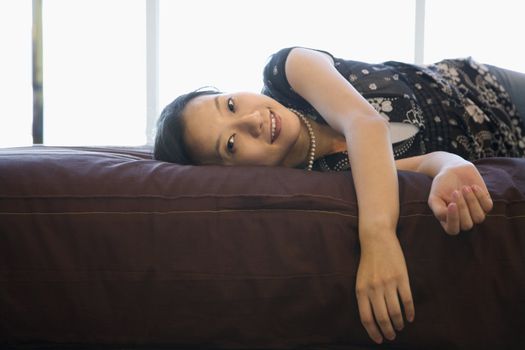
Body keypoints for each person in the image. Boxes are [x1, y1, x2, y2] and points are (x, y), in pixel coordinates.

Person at [153, 47, 525, 344]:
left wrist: (378, 238)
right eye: (231, 144)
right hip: (506, 147)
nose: (251, 120)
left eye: (231, 104)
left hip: (487, 88)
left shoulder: (289, 71)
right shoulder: (319, 181)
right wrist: (450, 166)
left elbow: (365, 123)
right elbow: (425, 162)